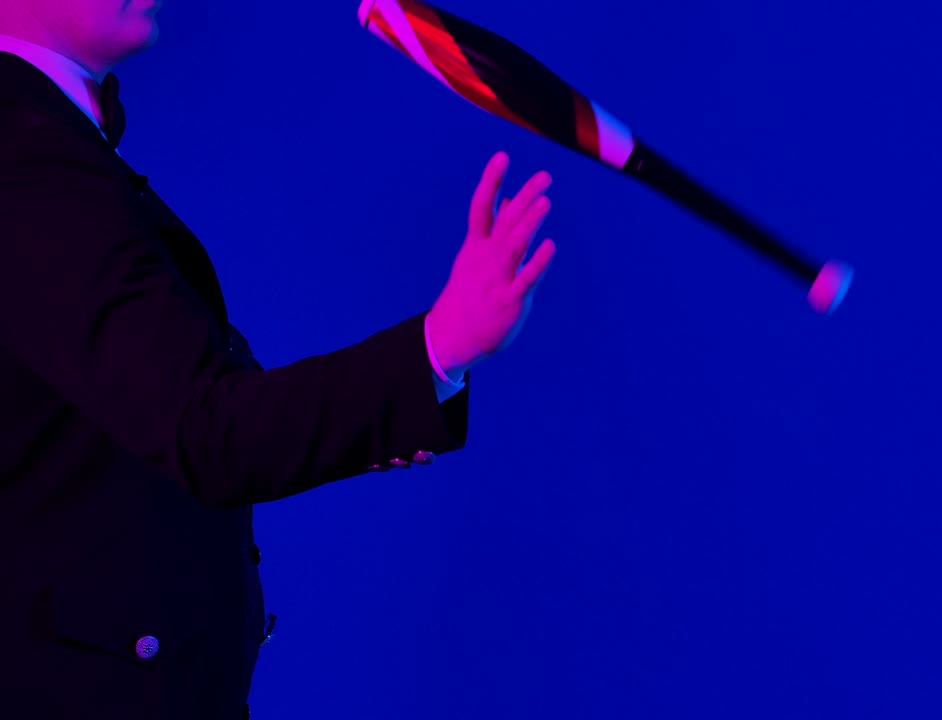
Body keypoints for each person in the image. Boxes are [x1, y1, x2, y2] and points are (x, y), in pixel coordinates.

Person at [0, 0, 557, 716]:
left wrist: (389, 395)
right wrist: (438, 346)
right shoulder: (23, 158)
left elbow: (147, 410)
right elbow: (204, 429)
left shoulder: (47, 149)